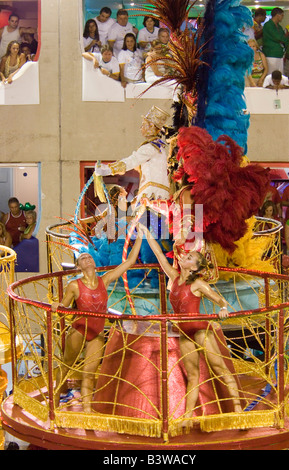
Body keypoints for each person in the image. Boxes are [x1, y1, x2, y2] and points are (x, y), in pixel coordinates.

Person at [139, 224, 243, 426]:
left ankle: (237, 407)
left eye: (188, 258)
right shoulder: (174, 277)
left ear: (194, 267)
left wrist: (223, 308)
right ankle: (187, 416)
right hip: (184, 331)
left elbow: (220, 300)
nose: (183, 257)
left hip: (200, 329)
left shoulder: (198, 284)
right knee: (193, 374)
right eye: (185, 256)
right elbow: (159, 254)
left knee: (219, 367)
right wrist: (146, 232)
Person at [51, 233, 142, 413]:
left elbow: (129, 262)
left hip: (97, 332)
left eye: (89, 257)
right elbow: (63, 308)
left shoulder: (105, 279)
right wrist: (57, 306)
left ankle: (87, 409)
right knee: (67, 364)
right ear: (78, 267)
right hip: (79, 330)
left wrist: (140, 236)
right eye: (83, 258)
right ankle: (53, 401)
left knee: (89, 372)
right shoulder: (74, 286)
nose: (87, 259)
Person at [94, 105, 170, 204]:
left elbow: (132, 161)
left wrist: (108, 169)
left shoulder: (150, 148)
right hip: (158, 195)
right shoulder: (159, 149)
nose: (141, 128)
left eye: (144, 124)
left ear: (151, 127)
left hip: (152, 195)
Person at [262, 8, 289, 74]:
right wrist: (283, 39)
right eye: (282, 15)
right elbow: (278, 37)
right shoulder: (268, 25)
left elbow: (283, 38)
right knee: (271, 75)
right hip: (271, 54)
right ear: (277, 15)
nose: (282, 17)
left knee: (280, 75)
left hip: (280, 54)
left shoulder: (279, 27)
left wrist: (284, 39)